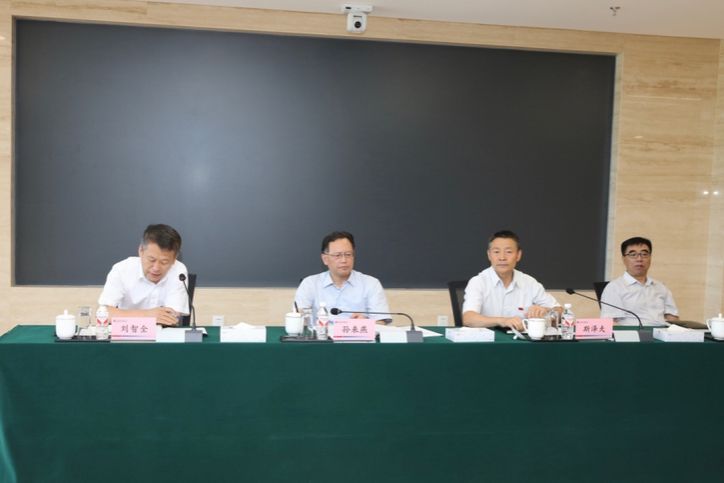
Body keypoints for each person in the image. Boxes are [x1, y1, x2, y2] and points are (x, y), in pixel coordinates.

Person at [462, 230, 559, 330]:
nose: (502, 257)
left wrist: (546, 311)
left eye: (508, 252)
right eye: (496, 252)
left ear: (518, 255)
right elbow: (468, 318)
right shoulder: (478, 282)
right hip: (488, 338)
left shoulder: (529, 282)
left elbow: (560, 311)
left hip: (522, 339)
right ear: (489, 255)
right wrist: (503, 321)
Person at [98, 224, 189, 326]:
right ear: (141, 251)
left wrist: (127, 316)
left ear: (175, 258)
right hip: (127, 333)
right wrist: (147, 315)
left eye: (164, 262)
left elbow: (171, 317)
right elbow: (104, 313)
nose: (156, 268)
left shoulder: (179, 271)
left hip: (163, 333)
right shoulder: (122, 269)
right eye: (151, 260)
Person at [295, 231, 390, 322]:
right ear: (325, 259)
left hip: (356, 334)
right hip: (322, 333)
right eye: (337, 255)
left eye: (348, 254)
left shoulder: (371, 284)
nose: (344, 260)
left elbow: (381, 320)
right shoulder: (310, 284)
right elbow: (298, 317)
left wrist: (365, 323)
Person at [600, 236, 679, 326]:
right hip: (632, 333)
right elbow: (610, 322)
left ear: (650, 258)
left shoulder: (660, 287)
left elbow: (672, 317)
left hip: (661, 333)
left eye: (644, 254)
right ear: (623, 259)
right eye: (633, 255)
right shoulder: (614, 287)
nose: (639, 259)